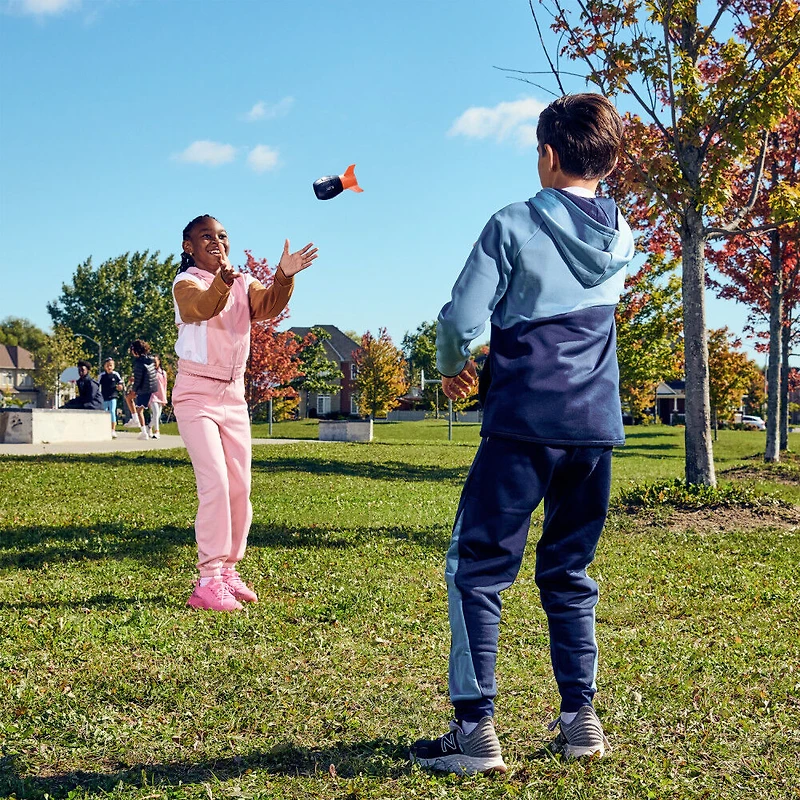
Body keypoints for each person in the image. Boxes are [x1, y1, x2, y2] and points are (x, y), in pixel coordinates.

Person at [409, 93, 635, 774]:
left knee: (475, 570)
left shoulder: (512, 224)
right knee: (569, 571)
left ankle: (475, 731)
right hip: (595, 429)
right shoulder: (624, 236)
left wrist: (452, 368)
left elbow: (461, 321)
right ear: (614, 159)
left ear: (546, 155)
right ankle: (581, 722)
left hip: (522, 426)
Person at [172, 214, 317, 611]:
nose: (216, 242)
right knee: (215, 482)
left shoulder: (243, 281)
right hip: (196, 394)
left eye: (221, 236)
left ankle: (228, 570)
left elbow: (267, 305)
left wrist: (284, 277)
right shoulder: (187, 284)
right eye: (206, 237)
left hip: (233, 396)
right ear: (190, 247)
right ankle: (206, 581)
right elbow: (200, 309)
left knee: (239, 486)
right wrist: (223, 279)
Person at [130, 339, 159, 441]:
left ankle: (143, 431)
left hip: (143, 389)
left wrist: (134, 390)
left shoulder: (139, 363)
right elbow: (146, 375)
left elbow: (138, 380)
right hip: (151, 387)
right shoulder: (149, 360)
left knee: (137, 408)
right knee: (143, 410)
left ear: (135, 351)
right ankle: (140, 425)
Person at [98, 357, 124, 438]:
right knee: (104, 412)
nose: (109, 367)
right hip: (104, 397)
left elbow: (121, 383)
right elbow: (97, 385)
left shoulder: (116, 375)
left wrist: (120, 386)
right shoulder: (102, 376)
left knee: (112, 411)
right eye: (107, 366)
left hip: (113, 396)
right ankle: (104, 429)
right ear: (104, 366)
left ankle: (113, 430)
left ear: (113, 366)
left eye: (111, 365)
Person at [148, 354, 168, 439]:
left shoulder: (163, 373)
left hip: (161, 395)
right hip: (152, 395)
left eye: (155, 361)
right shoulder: (149, 372)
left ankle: (148, 427)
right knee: (155, 413)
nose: (154, 363)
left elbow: (165, 385)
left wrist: (165, 398)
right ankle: (157, 432)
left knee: (157, 415)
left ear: (159, 362)